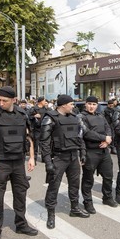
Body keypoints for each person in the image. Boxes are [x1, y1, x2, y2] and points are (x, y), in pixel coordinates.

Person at [0, 86, 38, 239]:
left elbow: (29, 136)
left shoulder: (22, 114)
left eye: (5, 101)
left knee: (21, 194)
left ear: (14, 100)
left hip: (18, 162)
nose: (1, 103)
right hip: (0, 163)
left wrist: (32, 157)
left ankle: (21, 224)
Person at [40, 94, 88, 229]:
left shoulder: (74, 118)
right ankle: (51, 214)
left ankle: (74, 208)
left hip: (73, 156)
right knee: (54, 186)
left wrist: (82, 152)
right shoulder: (50, 118)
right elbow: (44, 142)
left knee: (74, 184)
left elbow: (80, 137)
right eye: (71, 104)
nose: (73, 106)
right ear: (63, 105)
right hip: (59, 157)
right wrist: (48, 162)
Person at [77, 96, 117, 211]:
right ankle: (87, 202)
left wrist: (107, 140)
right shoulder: (80, 117)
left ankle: (107, 197)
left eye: (94, 104)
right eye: (89, 104)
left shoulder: (101, 116)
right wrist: (104, 138)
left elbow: (108, 128)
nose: (91, 106)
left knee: (108, 176)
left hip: (104, 151)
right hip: (90, 152)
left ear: (97, 105)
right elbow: (87, 133)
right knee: (88, 179)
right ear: (85, 104)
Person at [28, 96, 48, 163]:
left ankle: (43, 158)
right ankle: (34, 158)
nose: (45, 102)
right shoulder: (33, 109)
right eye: (44, 100)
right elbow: (28, 117)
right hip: (36, 129)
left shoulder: (46, 109)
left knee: (44, 144)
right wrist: (34, 116)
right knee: (36, 144)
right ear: (40, 101)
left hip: (44, 129)